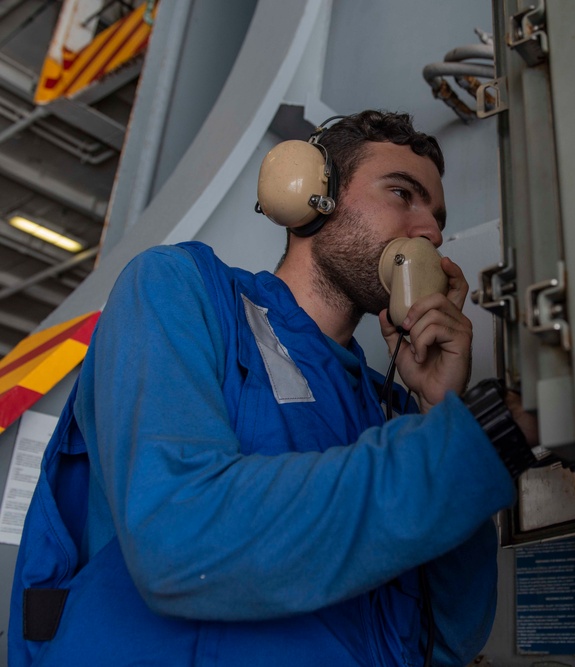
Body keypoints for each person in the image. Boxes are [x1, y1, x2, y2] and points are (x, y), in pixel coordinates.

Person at [9, 110, 539, 666]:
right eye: (403, 194)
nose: (430, 231)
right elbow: (178, 539)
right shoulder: (179, 289)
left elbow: (449, 638)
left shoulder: (391, 413)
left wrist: (439, 411)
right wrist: (470, 445)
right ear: (308, 194)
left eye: (437, 215)